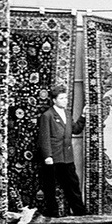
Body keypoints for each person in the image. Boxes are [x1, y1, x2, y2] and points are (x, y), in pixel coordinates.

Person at [37, 84, 87, 216]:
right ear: (54, 100)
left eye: (66, 98)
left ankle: (80, 213)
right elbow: (44, 137)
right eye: (61, 98)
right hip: (53, 157)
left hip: (67, 157)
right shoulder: (47, 116)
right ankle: (52, 213)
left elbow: (75, 130)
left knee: (72, 185)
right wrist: (47, 156)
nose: (65, 100)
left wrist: (82, 116)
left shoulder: (67, 113)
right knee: (51, 187)